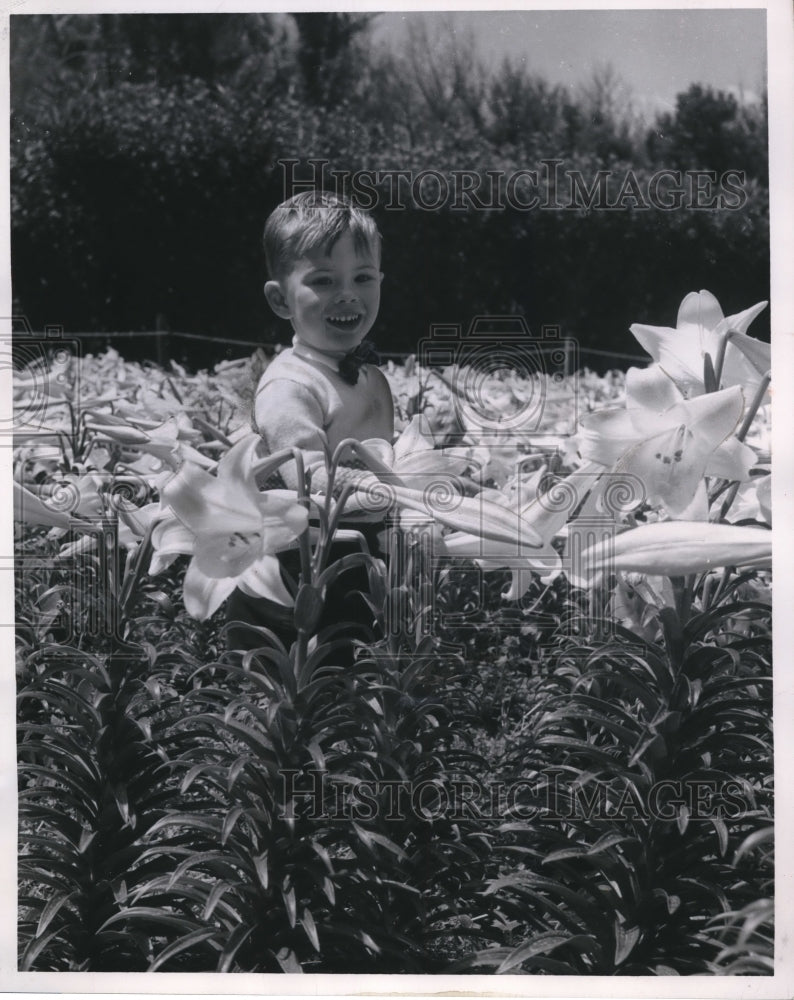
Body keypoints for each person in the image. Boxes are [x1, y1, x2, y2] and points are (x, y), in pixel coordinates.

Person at [226, 191, 394, 653]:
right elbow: (312, 481)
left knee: (355, 675)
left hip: (357, 551)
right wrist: (403, 494)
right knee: (299, 683)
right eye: (323, 281)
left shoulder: (370, 376)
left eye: (363, 277)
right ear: (281, 300)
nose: (347, 294)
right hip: (298, 569)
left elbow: (387, 459)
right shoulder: (290, 385)